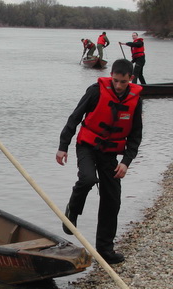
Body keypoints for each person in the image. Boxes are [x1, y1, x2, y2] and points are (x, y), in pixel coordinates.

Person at [55, 59, 143, 264]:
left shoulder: (136, 100)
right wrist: (63, 146)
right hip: (87, 146)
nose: (118, 86)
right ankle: (72, 212)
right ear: (110, 75)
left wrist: (126, 162)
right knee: (87, 179)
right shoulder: (95, 91)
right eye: (115, 81)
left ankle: (105, 250)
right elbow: (74, 117)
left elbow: (136, 134)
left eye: (123, 82)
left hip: (110, 153)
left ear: (130, 79)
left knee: (112, 200)